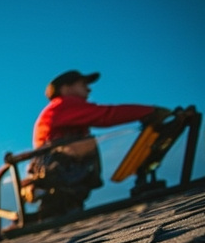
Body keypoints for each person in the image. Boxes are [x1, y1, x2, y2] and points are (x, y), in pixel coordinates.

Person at [28, 70, 168, 217]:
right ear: (65, 88)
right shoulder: (64, 105)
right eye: (82, 85)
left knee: (60, 211)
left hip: (57, 177)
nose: (89, 89)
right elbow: (106, 115)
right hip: (57, 172)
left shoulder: (59, 109)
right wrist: (150, 111)